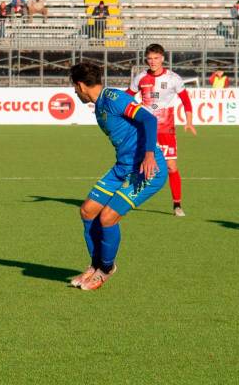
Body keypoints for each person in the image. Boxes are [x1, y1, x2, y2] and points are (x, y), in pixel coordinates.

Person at [68, 62, 168, 291]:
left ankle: (106, 268)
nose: (74, 92)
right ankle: (94, 266)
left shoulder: (112, 97)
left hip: (147, 169)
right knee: (87, 210)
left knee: (108, 217)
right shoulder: (101, 103)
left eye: (74, 87)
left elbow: (149, 119)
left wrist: (150, 155)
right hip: (123, 166)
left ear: (81, 85)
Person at [126, 44, 195, 217]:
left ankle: (177, 205)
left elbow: (186, 100)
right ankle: (129, 198)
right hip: (143, 128)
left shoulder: (173, 78)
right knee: (139, 165)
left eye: (156, 58)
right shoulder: (140, 77)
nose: (153, 61)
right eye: (150, 58)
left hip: (166, 129)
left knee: (171, 167)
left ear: (162, 58)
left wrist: (189, 121)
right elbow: (127, 96)